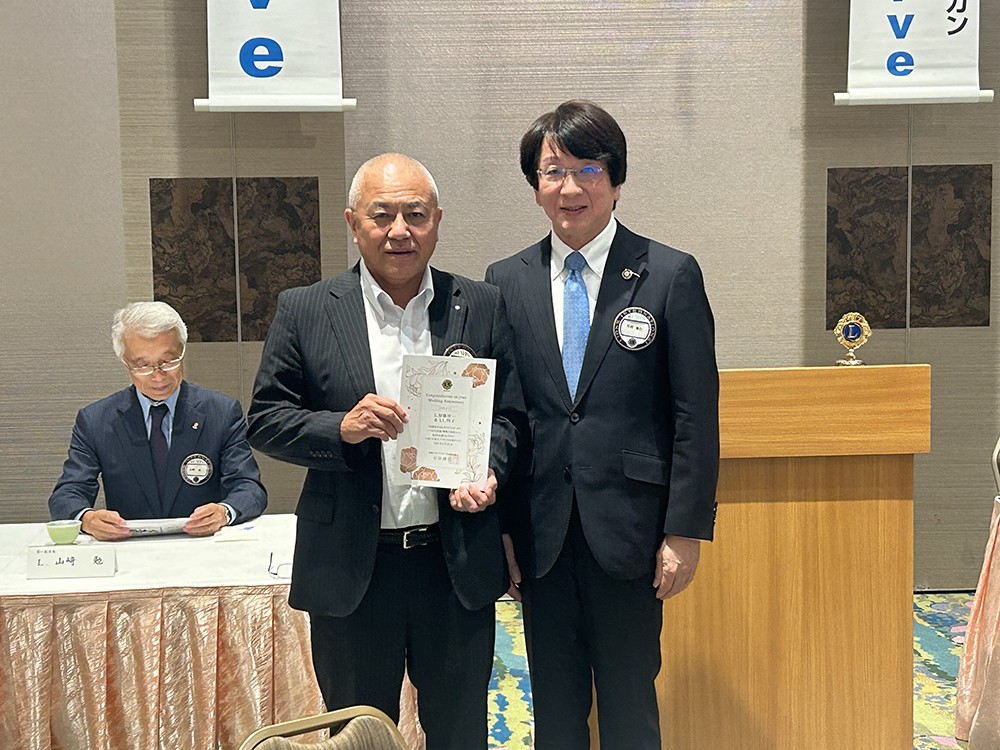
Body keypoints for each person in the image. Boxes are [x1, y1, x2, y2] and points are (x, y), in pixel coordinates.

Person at [246, 153, 522, 750]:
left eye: (415, 214)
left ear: (437, 221)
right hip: (351, 567)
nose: (400, 230)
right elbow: (264, 420)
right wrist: (340, 429)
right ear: (353, 223)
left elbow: (509, 417)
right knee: (360, 736)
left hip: (451, 564)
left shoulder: (480, 303)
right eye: (382, 215)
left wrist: (488, 471)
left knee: (461, 734)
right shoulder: (306, 308)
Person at [485, 100, 720, 750]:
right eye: (553, 172)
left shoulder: (668, 274)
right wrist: (501, 529)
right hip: (541, 535)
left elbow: (695, 415)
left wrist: (684, 531)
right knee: (554, 710)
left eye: (587, 169)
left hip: (632, 534)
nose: (571, 188)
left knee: (629, 706)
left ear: (615, 180)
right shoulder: (505, 282)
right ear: (536, 187)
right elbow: (502, 415)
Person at [48, 301, 267, 540]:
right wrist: (87, 519)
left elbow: (249, 488)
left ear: (182, 351)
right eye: (142, 366)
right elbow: (67, 493)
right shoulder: (96, 421)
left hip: (202, 544)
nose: (158, 376)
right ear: (125, 364)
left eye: (168, 361)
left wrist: (224, 512)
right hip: (128, 547)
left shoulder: (221, 412)